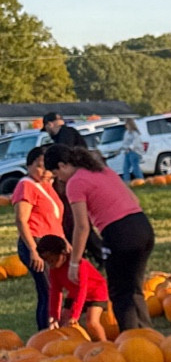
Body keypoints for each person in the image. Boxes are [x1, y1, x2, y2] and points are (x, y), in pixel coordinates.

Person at [52, 141, 158, 330]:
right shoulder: (102, 170)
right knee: (134, 288)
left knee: (119, 293)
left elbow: (82, 227)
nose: (59, 179)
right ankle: (147, 336)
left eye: (57, 174)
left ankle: (132, 340)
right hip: (142, 227)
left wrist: (74, 263)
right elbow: (134, 199)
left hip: (119, 233)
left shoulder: (75, 183)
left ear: (62, 165)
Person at [12, 141, 64, 333]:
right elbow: (21, 220)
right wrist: (34, 250)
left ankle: (57, 327)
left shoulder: (44, 185)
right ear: (29, 166)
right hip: (36, 243)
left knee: (56, 290)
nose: (43, 171)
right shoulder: (26, 186)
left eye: (45, 166)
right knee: (48, 291)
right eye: (39, 166)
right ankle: (45, 334)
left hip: (52, 244)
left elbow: (54, 219)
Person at [36, 232, 108, 340]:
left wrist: (75, 315)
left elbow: (82, 289)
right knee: (63, 324)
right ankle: (72, 346)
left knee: (92, 322)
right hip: (74, 294)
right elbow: (55, 291)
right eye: (47, 262)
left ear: (63, 253)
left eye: (53, 260)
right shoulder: (54, 270)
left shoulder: (79, 264)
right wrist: (54, 315)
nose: (51, 264)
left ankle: (105, 344)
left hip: (96, 292)